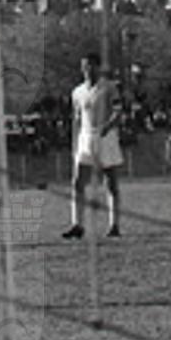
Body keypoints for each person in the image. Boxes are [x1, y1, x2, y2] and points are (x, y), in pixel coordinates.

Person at [63, 50, 123, 240]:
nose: (87, 70)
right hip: (86, 137)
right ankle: (77, 224)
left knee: (111, 181)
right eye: (84, 66)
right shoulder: (77, 92)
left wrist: (108, 126)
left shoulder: (109, 87)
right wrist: (75, 143)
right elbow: (76, 119)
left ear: (98, 67)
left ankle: (114, 225)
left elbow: (118, 111)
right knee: (77, 181)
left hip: (105, 137)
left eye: (90, 65)